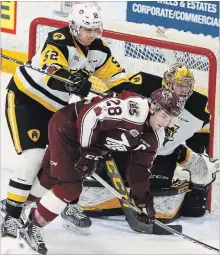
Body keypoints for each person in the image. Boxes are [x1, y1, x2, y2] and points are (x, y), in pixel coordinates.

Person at [0, 3, 129, 238]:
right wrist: (70, 80)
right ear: (73, 26)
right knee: (34, 156)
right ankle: (10, 214)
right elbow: (53, 72)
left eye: (94, 29)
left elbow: (118, 79)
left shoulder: (99, 49)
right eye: (85, 29)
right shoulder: (58, 39)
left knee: (70, 157)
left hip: (56, 108)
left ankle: (68, 205)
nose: (91, 34)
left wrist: (128, 98)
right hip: (25, 100)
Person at [6, 88, 181, 254]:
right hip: (68, 127)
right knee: (70, 187)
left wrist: (143, 202)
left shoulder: (156, 137)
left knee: (51, 176)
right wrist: (88, 152)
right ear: (153, 108)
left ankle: (14, 206)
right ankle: (32, 226)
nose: (165, 123)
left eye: (170, 119)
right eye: (164, 116)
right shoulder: (133, 109)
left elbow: (139, 171)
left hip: (82, 140)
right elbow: (90, 115)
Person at [76, 63, 219, 222]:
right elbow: (113, 100)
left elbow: (200, 134)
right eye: (179, 85)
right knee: (112, 178)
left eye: (187, 86)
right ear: (168, 82)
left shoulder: (199, 107)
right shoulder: (144, 84)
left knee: (153, 188)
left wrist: (196, 156)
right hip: (130, 146)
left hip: (161, 153)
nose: (184, 90)